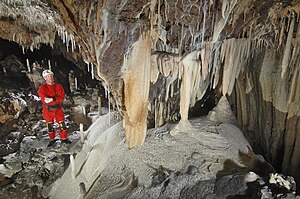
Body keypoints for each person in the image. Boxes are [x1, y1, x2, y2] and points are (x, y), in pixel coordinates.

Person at [38, 69, 71, 147]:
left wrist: (52, 99)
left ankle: (64, 138)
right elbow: (45, 100)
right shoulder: (42, 88)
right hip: (47, 109)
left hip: (58, 108)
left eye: (51, 76)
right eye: (48, 76)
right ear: (45, 78)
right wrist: (55, 99)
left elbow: (62, 97)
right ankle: (52, 139)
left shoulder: (58, 86)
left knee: (62, 123)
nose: (50, 77)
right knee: (50, 125)